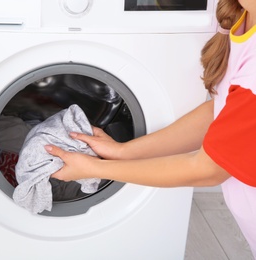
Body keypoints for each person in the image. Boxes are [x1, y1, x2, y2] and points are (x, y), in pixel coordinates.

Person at [45, 0, 256, 256]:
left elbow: (207, 170)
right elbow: (219, 113)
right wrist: (123, 151)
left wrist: (95, 168)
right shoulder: (243, 17)